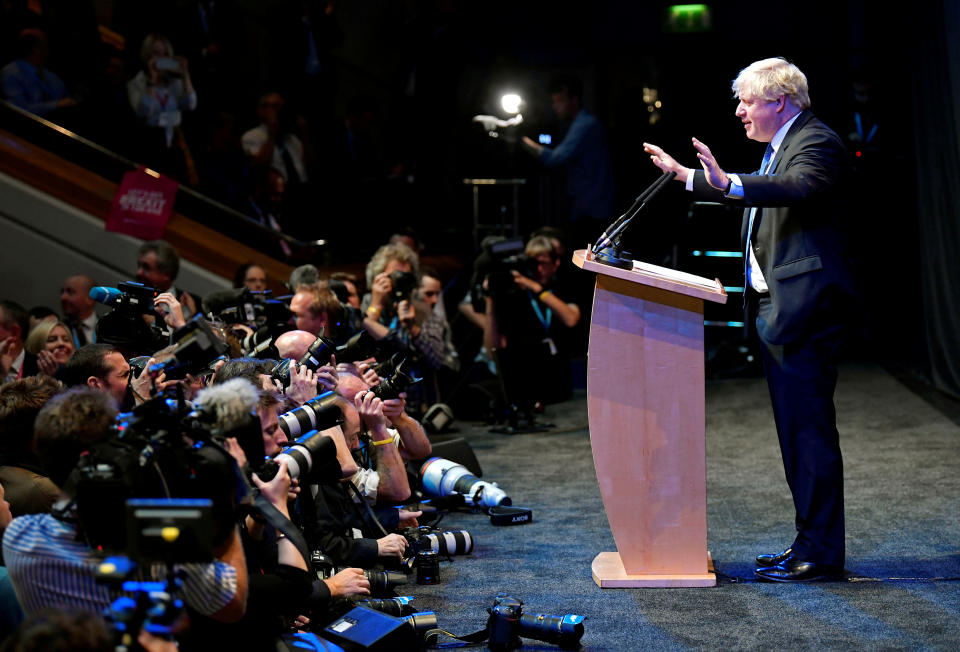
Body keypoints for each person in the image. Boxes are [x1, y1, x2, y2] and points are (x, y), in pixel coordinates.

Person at [643, 57, 856, 583]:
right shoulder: (779, 145)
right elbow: (761, 193)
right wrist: (688, 177)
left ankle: (822, 553)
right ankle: (808, 542)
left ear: (779, 100)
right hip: (778, 310)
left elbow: (795, 188)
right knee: (795, 435)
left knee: (808, 436)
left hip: (804, 310)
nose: (739, 111)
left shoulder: (816, 141)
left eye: (747, 101)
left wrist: (729, 181)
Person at [521, 74, 615, 247]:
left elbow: (556, 159)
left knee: (582, 262)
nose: (555, 106)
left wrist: (521, 140)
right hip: (587, 206)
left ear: (574, 100)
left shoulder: (585, 125)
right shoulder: (579, 124)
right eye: (554, 101)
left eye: (559, 101)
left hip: (591, 209)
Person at [59, 275, 98, 348]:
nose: (63, 297)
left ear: (90, 298)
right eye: (62, 292)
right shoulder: (59, 329)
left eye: (70, 292)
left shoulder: (108, 329)